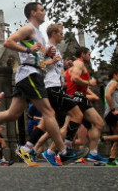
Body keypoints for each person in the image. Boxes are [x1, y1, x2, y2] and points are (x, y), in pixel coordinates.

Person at [0, 3, 85, 166]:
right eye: (41, 10)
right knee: (49, 112)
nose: (44, 12)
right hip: (30, 74)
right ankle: (63, 151)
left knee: (12, 114)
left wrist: (45, 53)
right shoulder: (28, 29)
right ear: (33, 13)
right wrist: (27, 51)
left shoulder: (38, 34)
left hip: (29, 74)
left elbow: (38, 55)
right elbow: (9, 43)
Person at [18, 24, 84, 166]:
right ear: (54, 33)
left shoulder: (57, 50)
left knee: (47, 121)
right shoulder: (47, 47)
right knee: (77, 115)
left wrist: (64, 65)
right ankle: (67, 150)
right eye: (61, 33)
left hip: (54, 87)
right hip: (51, 87)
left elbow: (53, 69)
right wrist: (52, 61)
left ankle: (27, 147)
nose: (63, 36)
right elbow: (39, 64)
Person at [65, 46, 107, 163]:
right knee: (69, 128)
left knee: (99, 123)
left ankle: (93, 153)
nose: (90, 56)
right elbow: (74, 78)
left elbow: (67, 79)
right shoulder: (79, 64)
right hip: (77, 98)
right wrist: (89, 82)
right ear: (83, 55)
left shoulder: (75, 65)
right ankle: (56, 151)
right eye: (88, 54)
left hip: (82, 98)